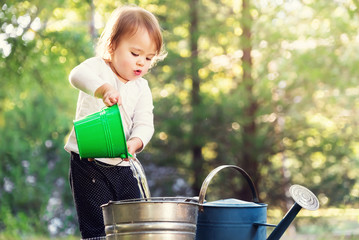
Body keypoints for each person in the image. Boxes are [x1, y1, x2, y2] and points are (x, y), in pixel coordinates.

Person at [64, 5, 166, 239]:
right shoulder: (98, 68)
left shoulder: (142, 87)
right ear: (112, 46)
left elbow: (145, 122)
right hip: (88, 161)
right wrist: (103, 89)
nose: (142, 62)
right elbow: (76, 75)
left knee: (135, 223)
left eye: (149, 58)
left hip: (123, 163)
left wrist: (136, 142)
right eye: (135, 54)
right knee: (97, 227)